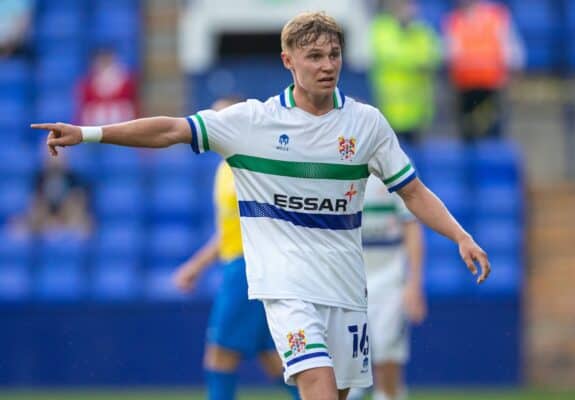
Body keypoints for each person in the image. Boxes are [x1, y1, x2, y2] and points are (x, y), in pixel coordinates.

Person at [32, 12, 491, 400]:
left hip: (348, 289)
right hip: (287, 288)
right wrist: (89, 133)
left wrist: (461, 236)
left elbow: (412, 191)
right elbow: (170, 129)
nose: (327, 65)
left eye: (333, 55)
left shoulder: (366, 125)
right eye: (314, 56)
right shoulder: (253, 122)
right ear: (288, 61)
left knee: (341, 393)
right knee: (317, 384)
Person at [172, 97, 300, 400]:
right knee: (274, 361)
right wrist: (196, 266)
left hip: (248, 268)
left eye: (223, 117)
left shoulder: (251, 164)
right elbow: (229, 230)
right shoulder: (224, 168)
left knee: (219, 355)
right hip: (240, 263)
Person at [348, 176, 425, 400]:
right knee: (347, 364)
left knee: (386, 355)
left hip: (390, 279)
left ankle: (389, 394)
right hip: (350, 278)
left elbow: (412, 228)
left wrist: (414, 284)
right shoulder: (340, 164)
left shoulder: (392, 167)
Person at [443, 0, 524, 141]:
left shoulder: (496, 15)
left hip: (491, 89)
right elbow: (449, 54)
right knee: (468, 136)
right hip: (465, 90)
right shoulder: (454, 20)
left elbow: (513, 51)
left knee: (492, 135)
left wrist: (511, 77)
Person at [370, 0, 441, 144]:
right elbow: (389, 54)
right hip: (390, 109)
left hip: (419, 110)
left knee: (418, 159)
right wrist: (417, 60)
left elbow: (433, 56)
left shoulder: (421, 30)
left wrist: (417, 58)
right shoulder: (382, 28)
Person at [10, 146, 93, 237]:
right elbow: (35, 208)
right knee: (18, 227)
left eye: (59, 152)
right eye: (51, 151)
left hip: (69, 221)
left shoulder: (77, 180)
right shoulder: (38, 179)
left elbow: (81, 210)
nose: (55, 158)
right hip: (45, 222)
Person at [76, 48, 139, 126]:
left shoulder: (127, 83)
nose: (105, 65)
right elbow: (82, 111)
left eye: (107, 61)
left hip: (122, 129)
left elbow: (135, 107)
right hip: (95, 129)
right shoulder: (87, 85)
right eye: (102, 61)